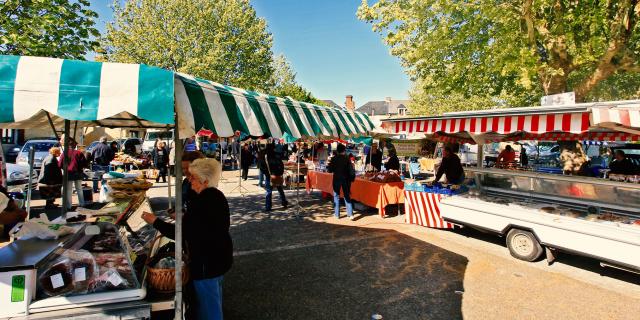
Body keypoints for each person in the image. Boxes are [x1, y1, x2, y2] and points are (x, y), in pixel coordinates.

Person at [141, 158, 232, 320]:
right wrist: (184, 217)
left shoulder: (204, 201)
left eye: (193, 177)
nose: (189, 180)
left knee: (209, 309)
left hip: (207, 263)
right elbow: (203, 224)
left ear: (204, 180)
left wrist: (155, 221)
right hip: (218, 258)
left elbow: (182, 232)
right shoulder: (214, 196)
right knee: (213, 299)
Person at [58, 135, 87, 209]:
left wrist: (65, 168)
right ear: (74, 146)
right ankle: (82, 203)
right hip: (78, 172)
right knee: (79, 189)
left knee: (69, 190)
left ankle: (69, 205)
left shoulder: (64, 153)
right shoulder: (79, 153)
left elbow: (60, 164)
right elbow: (84, 163)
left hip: (69, 173)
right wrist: (79, 168)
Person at [328, 144, 355, 220]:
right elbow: (351, 170)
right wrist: (352, 178)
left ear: (337, 150)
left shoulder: (334, 158)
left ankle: (337, 215)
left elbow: (330, 170)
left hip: (336, 178)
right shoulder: (347, 159)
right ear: (344, 150)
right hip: (345, 179)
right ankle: (350, 214)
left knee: (336, 196)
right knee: (347, 196)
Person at [262, 143, 288, 212]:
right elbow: (281, 165)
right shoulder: (277, 155)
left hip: (269, 176)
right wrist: (280, 173)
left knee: (268, 191)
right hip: (277, 175)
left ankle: (268, 207)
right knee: (280, 190)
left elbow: (262, 167)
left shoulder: (265, 156)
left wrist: (267, 174)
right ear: (274, 148)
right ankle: (284, 202)